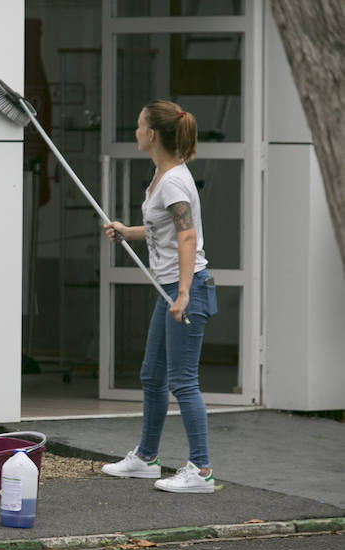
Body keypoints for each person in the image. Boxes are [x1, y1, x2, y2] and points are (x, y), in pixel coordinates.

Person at [100, 100, 218, 493]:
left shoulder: (172, 181)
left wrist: (183, 293)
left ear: (152, 135)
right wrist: (127, 230)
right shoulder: (163, 175)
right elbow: (164, 228)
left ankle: (201, 470)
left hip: (187, 289)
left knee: (183, 381)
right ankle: (147, 459)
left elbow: (187, 236)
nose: (134, 132)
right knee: (153, 376)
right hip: (168, 287)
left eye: (138, 126)